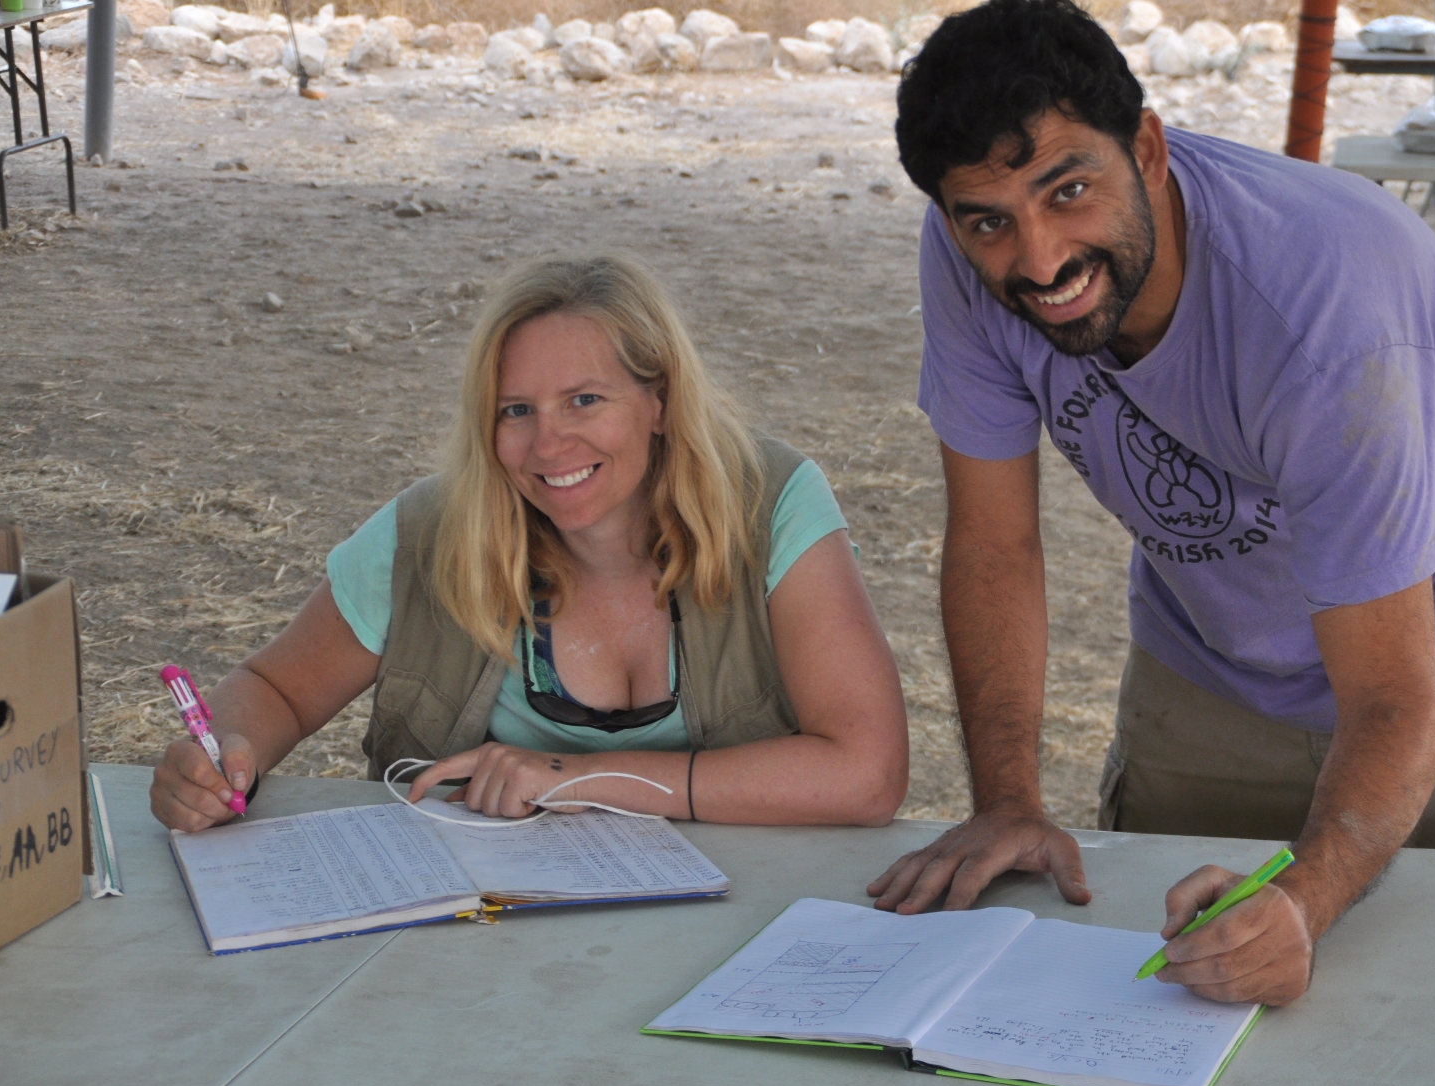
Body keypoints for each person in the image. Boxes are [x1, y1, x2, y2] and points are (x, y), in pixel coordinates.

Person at [868, 0, 1435, 1006]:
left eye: (1068, 190)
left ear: (1149, 151)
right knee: (1161, 987)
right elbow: (992, 545)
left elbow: (1390, 691)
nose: (1038, 260)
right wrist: (1007, 801)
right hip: (1208, 652)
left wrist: (1307, 893)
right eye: (989, 219)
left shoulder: (1326, 307)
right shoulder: (962, 251)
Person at [151, 253, 908, 831]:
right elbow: (276, 688)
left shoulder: (770, 503)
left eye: (585, 399)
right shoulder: (427, 533)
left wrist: (567, 778)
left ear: (660, 401)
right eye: (516, 409)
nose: (549, 443)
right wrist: (223, 751)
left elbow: (866, 774)